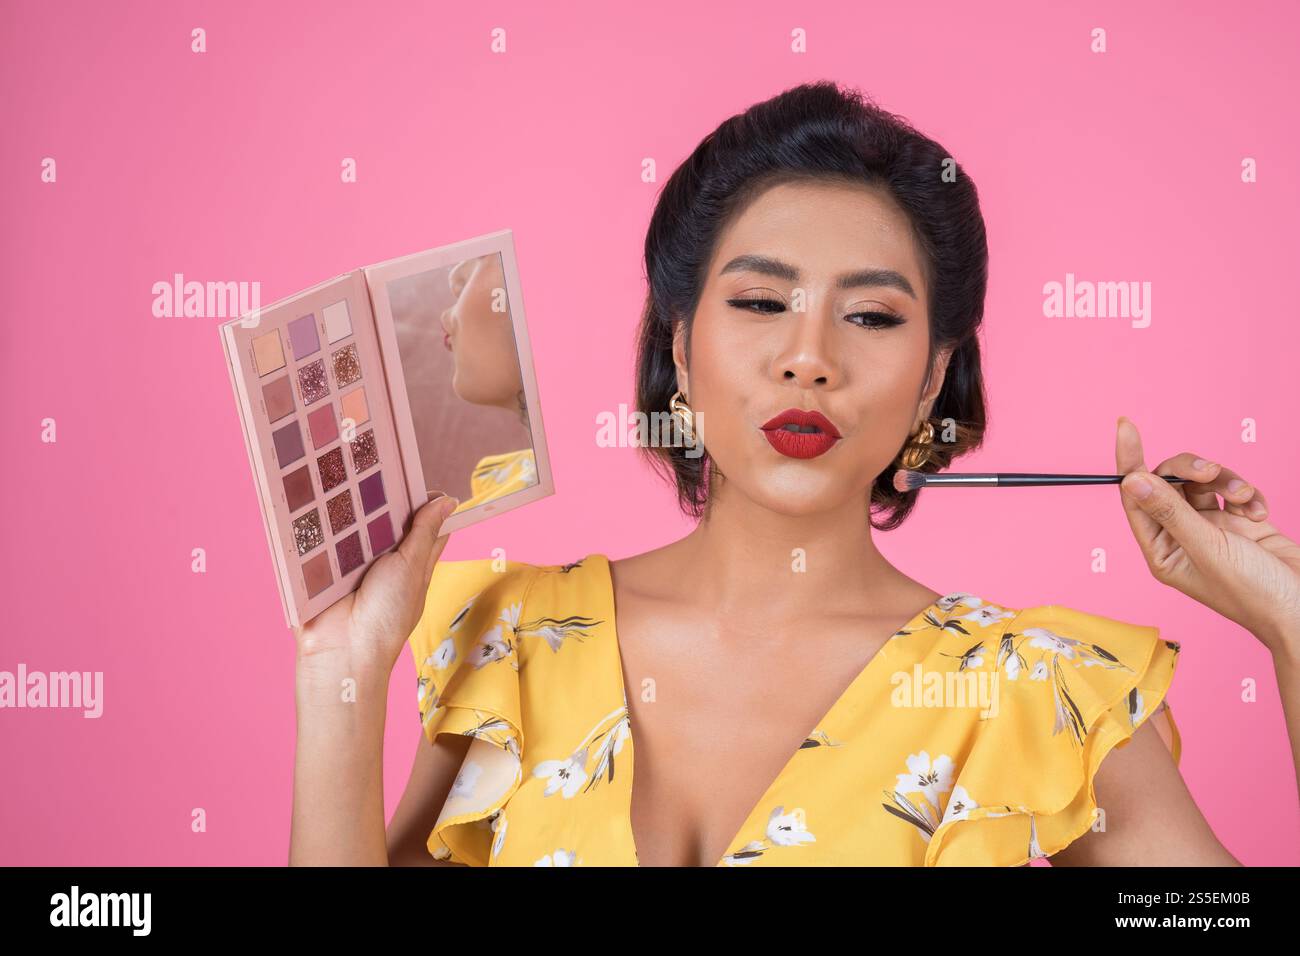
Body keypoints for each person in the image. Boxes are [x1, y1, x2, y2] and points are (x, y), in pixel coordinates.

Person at [289, 81, 1300, 867]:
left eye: (869, 315)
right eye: (761, 302)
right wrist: (341, 676)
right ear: (680, 348)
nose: (808, 356)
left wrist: (1290, 621)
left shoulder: (1036, 687)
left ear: (931, 377)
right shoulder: (511, 643)